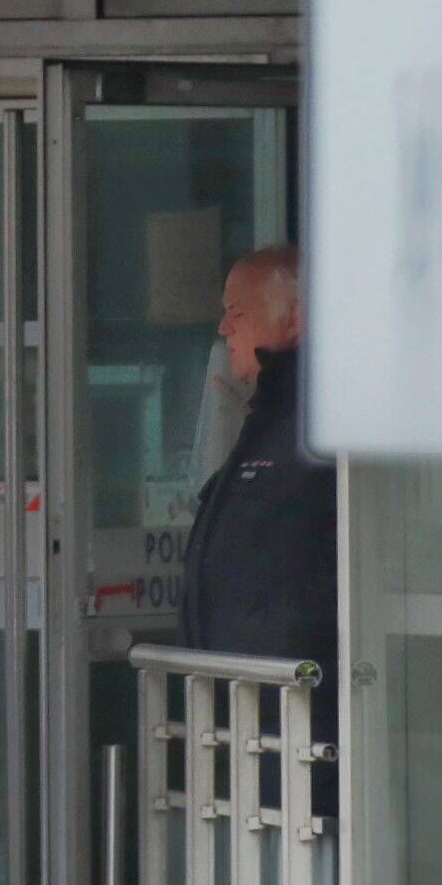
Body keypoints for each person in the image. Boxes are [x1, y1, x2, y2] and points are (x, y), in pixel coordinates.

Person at [175, 246, 335, 660]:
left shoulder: (326, 421)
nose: (224, 328)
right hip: (242, 701)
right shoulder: (268, 417)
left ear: (297, 318)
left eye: (237, 312)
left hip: (296, 702)